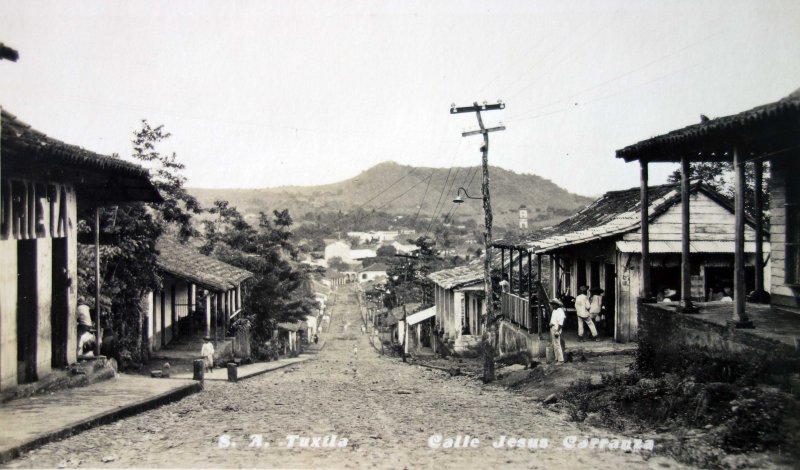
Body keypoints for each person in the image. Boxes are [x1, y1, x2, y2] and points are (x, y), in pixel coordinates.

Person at [549, 298, 566, 364]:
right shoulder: (554, 311)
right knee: (554, 344)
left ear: (557, 305)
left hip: (556, 329)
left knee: (557, 344)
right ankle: (556, 358)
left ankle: (560, 360)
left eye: (553, 305)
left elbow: (560, 323)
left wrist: (558, 331)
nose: (552, 306)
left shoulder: (560, 311)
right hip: (552, 328)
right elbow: (553, 320)